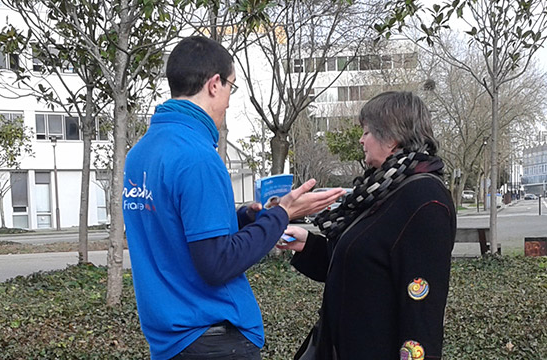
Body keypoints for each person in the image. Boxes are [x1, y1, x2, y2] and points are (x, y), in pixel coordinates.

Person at [122, 36, 345, 360]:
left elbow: (175, 229)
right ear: (214, 84)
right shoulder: (197, 157)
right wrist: (281, 214)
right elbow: (217, 263)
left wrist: (243, 218)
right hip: (212, 340)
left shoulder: (140, 153)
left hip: (169, 343)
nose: (228, 100)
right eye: (231, 87)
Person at [279, 91, 456, 359]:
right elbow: (360, 266)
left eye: (367, 132)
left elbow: (422, 310)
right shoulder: (381, 189)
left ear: (392, 138)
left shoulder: (424, 201)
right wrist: (307, 244)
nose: (361, 140)